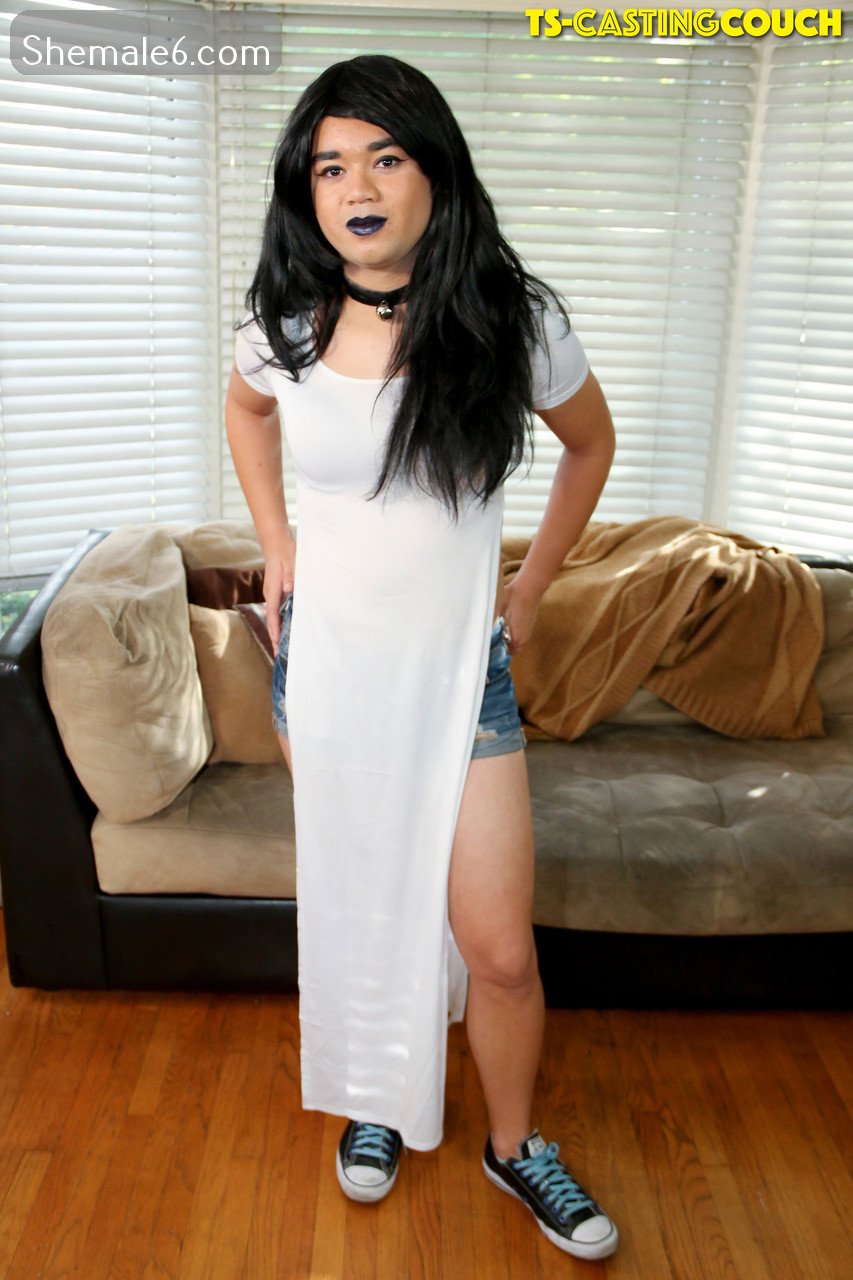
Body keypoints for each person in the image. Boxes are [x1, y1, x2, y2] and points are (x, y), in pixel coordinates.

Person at [225, 54, 618, 1261]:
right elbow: (244, 409)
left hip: (462, 676)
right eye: (330, 166)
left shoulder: (510, 318)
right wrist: (277, 542)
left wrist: (531, 588)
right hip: (329, 670)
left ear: (434, 172)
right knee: (364, 904)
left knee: (497, 944)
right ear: (306, 189)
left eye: (385, 158)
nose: (357, 186)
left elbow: (590, 445)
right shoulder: (285, 321)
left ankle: (513, 1144)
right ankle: (379, 1099)